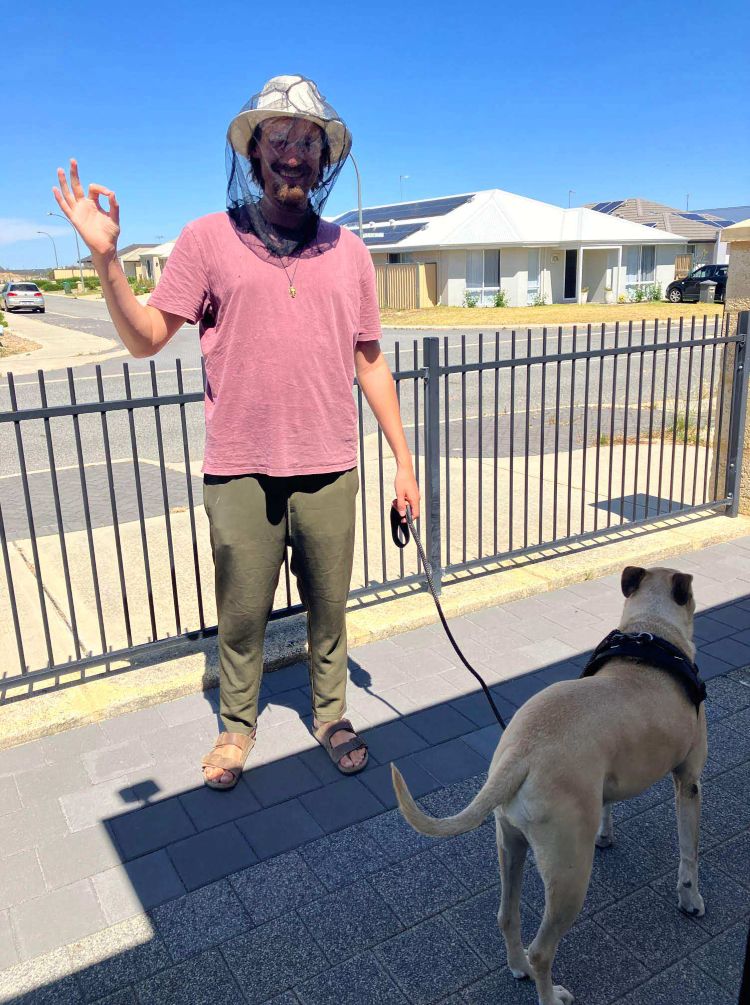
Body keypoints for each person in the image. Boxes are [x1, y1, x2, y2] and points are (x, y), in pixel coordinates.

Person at [52, 74, 420, 787]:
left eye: (307, 140)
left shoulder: (349, 253)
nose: (293, 153)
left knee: (330, 610)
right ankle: (236, 725)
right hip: (239, 468)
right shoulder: (206, 240)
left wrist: (403, 463)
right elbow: (145, 338)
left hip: (330, 466)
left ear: (324, 158)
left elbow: (371, 362)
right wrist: (106, 261)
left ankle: (331, 714)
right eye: (279, 137)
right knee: (242, 614)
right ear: (254, 151)